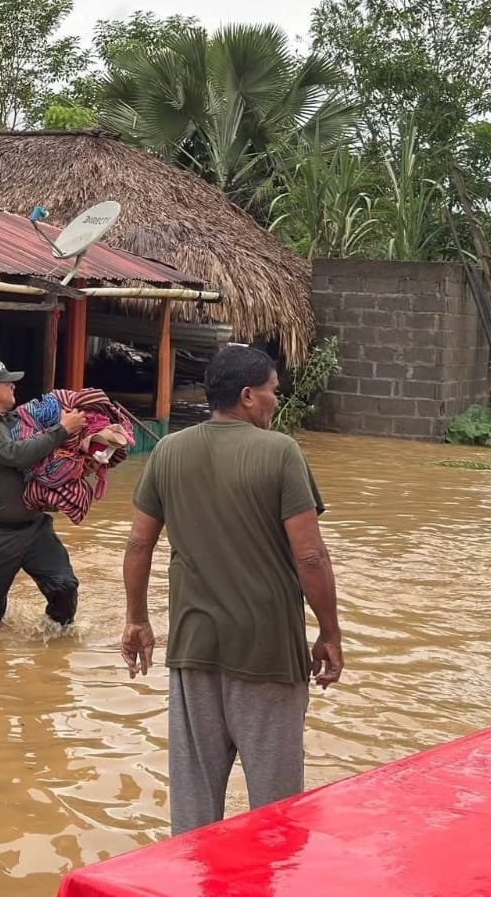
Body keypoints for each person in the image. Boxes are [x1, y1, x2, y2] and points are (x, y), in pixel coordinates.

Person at [120, 344, 342, 837]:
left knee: (194, 813)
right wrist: (330, 632)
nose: (275, 402)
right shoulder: (281, 452)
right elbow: (310, 557)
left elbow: (138, 545)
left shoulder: (168, 450)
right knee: (276, 813)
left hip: (193, 648)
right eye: (271, 392)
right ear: (247, 396)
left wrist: (137, 619)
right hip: (267, 652)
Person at [0, 358, 87, 628]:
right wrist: (63, 430)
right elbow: (16, 454)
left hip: (35, 529)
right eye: (8, 383)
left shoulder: (17, 421)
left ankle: (52, 646)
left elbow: (43, 448)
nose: (14, 387)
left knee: (64, 587)